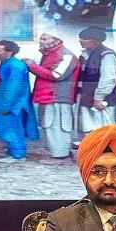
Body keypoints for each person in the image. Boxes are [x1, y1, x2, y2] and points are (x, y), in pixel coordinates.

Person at [26, 32, 79, 161]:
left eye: (44, 39)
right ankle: (55, 153)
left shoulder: (66, 55)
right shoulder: (49, 54)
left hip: (58, 96)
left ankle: (60, 155)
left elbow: (57, 75)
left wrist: (32, 66)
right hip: (48, 96)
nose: (41, 41)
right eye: (41, 39)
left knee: (58, 125)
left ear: (55, 39)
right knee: (49, 125)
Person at [0, 40, 39, 162]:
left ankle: (18, 155)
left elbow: (13, 87)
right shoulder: (6, 63)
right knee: (7, 127)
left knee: (13, 128)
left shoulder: (15, 66)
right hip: (5, 101)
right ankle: (13, 151)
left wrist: (6, 105)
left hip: (14, 104)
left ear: (9, 52)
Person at [75, 27, 116, 138]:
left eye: (84, 39)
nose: (80, 41)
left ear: (95, 41)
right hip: (86, 97)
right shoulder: (85, 54)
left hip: (101, 99)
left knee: (103, 129)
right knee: (89, 129)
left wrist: (99, 97)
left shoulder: (107, 55)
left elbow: (108, 78)